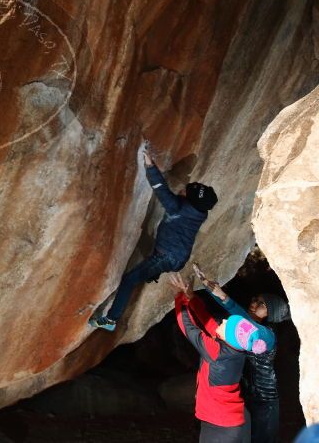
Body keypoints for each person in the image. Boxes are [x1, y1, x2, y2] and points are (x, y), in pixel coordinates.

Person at [90, 144, 218, 331]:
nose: (182, 189)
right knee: (150, 264)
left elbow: (161, 191)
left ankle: (111, 320)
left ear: (190, 201)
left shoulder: (179, 209)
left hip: (168, 256)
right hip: (175, 256)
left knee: (129, 280)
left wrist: (150, 165)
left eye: (186, 191)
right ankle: (153, 272)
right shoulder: (198, 212)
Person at [195, 264, 290, 443]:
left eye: (262, 304)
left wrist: (222, 296)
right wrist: (209, 292)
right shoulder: (245, 329)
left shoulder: (267, 335)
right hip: (246, 395)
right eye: (256, 299)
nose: (254, 304)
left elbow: (245, 322)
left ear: (272, 313)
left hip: (264, 402)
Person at [170, 273, 251, 443]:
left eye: (225, 324)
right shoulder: (236, 347)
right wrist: (191, 297)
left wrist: (179, 297)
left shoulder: (217, 352)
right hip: (237, 420)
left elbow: (188, 327)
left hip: (220, 426)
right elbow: (207, 323)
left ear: (229, 336)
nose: (222, 322)